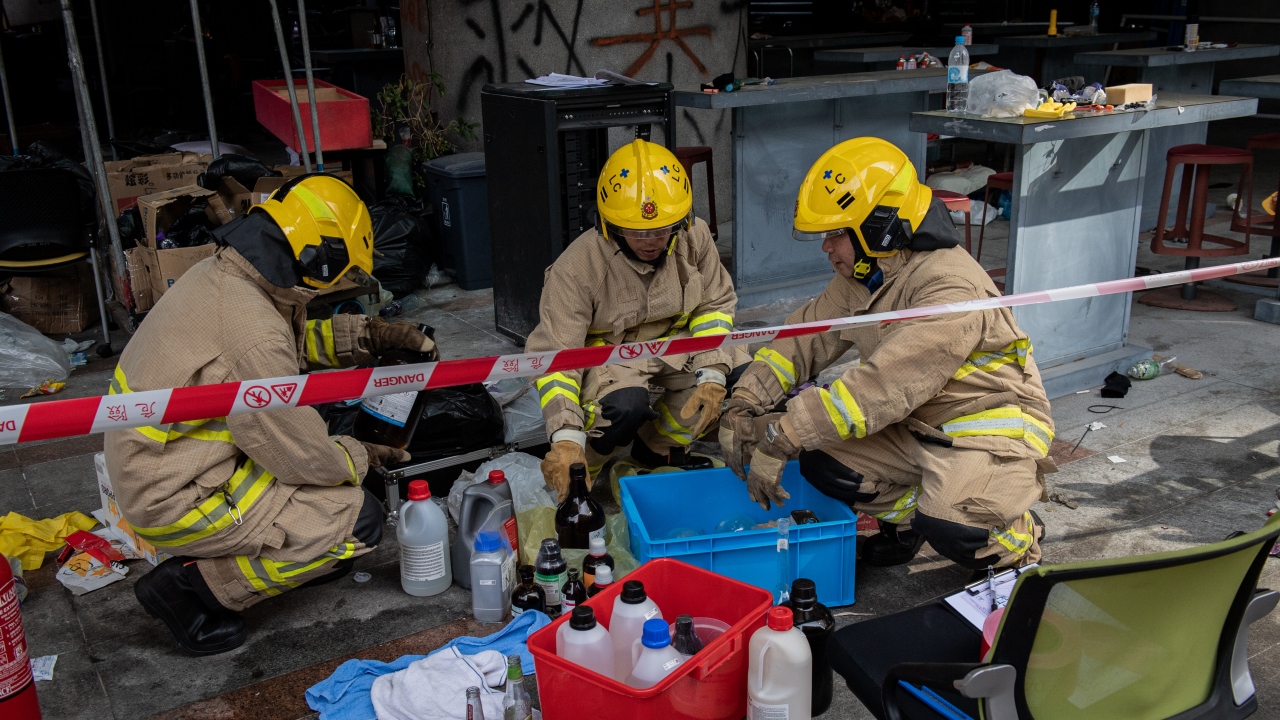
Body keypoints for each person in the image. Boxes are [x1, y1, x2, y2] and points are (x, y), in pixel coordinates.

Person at [106, 175, 436, 654]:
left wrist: (370, 335)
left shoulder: (227, 277)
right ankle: (191, 589)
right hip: (173, 492)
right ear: (320, 258)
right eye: (343, 272)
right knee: (356, 519)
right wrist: (361, 456)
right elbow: (301, 455)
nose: (343, 282)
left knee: (325, 485)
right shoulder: (253, 331)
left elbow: (286, 345)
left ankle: (244, 558)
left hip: (158, 461)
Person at [720, 137, 1054, 570]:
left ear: (879, 225)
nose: (827, 247)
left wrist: (782, 435)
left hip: (982, 429)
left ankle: (1016, 534)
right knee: (825, 463)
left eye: (836, 234)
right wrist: (744, 400)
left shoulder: (949, 287)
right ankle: (912, 524)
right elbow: (803, 339)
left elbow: (882, 387)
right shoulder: (871, 271)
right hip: (916, 421)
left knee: (956, 528)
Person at [527, 139, 747, 500]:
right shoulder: (577, 268)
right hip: (611, 355)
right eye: (639, 231)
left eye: (663, 229)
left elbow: (714, 307)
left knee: (739, 381)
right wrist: (565, 436)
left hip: (678, 347)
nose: (652, 241)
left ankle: (655, 449)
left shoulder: (695, 237)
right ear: (608, 225)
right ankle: (581, 472)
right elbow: (558, 359)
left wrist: (712, 373)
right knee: (624, 407)